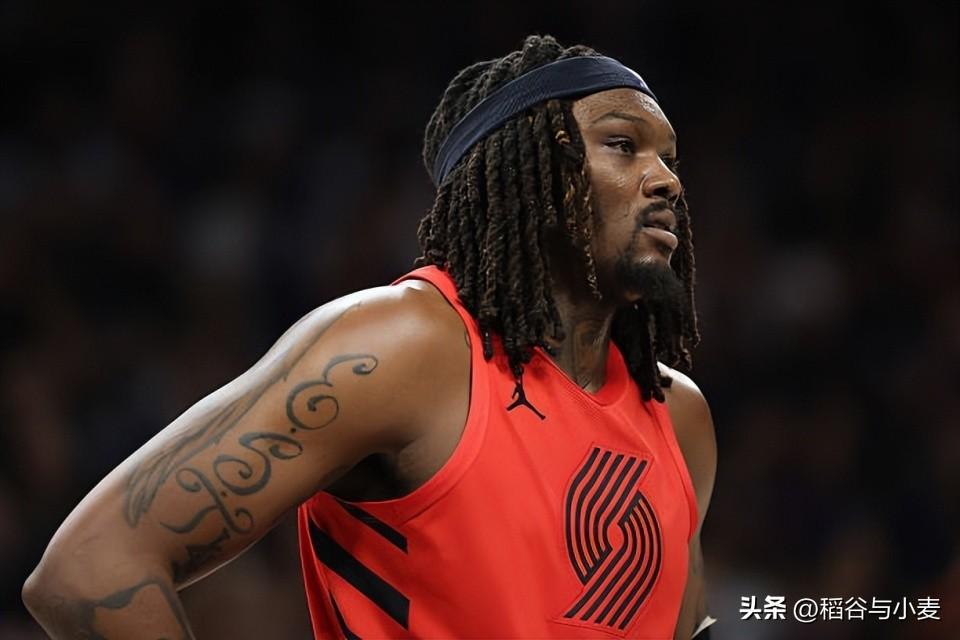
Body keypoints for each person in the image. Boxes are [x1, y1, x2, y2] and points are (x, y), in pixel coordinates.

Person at [22, 34, 716, 639]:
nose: (667, 182)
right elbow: (90, 569)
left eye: (671, 159)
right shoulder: (403, 347)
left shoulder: (678, 416)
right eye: (622, 145)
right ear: (524, 174)